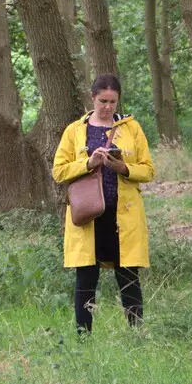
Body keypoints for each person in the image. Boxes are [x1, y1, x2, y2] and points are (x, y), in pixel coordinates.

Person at [51, 73, 155, 333]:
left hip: (124, 217)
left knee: (129, 277)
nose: (108, 107)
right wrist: (89, 163)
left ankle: (136, 333)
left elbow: (149, 171)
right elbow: (59, 171)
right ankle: (83, 337)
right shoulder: (75, 131)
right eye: (103, 101)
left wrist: (123, 167)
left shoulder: (132, 129)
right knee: (86, 278)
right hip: (88, 216)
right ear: (92, 98)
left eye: (113, 101)